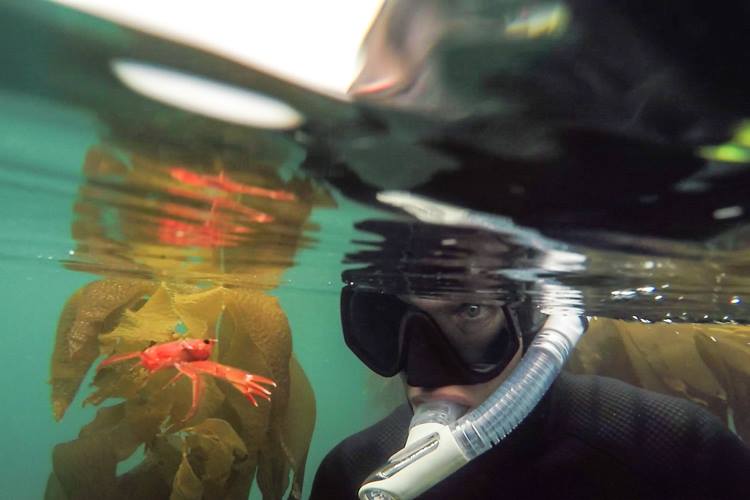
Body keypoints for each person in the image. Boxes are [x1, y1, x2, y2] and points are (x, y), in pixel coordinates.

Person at [310, 220, 750, 499]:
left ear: (529, 317)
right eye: (396, 319)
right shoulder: (350, 473)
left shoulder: (678, 447)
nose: (429, 372)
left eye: (470, 311)